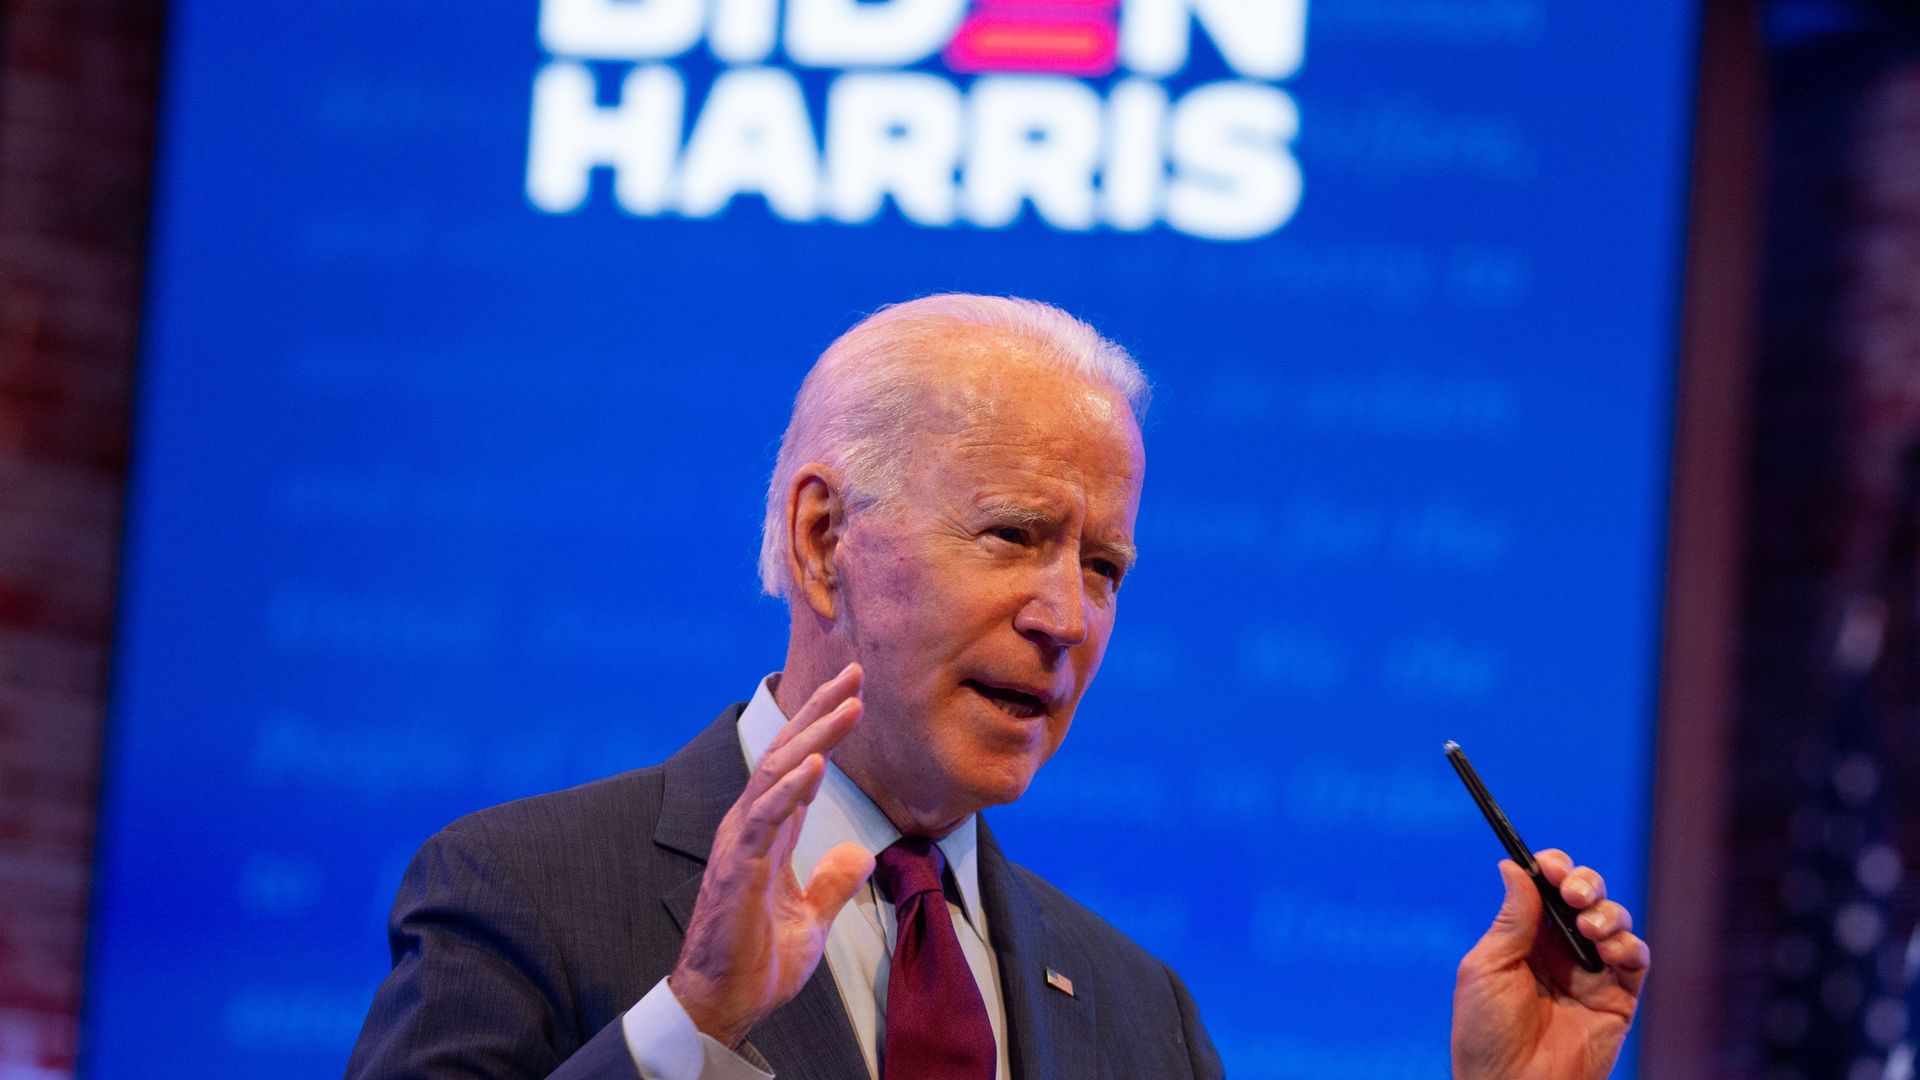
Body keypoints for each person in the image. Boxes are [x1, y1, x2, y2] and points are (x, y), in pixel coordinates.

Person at [343, 294, 1650, 1080]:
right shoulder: (522, 889)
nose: (1066, 618)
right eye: (1015, 536)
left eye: (1106, 566)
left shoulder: (1140, 1010)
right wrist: (695, 1028)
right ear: (821, 539)